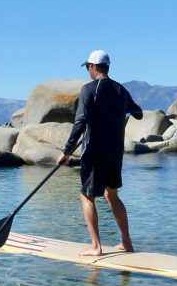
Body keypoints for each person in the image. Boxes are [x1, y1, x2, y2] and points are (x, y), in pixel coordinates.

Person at [57, 50, 143, 256]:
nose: (88, 70)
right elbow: (138, 113)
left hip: (94, 152)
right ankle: (126, 243)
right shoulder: (120, 89)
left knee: (87, 196)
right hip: (115, 152)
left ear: (94, 67)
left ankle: (96, 247)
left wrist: (66, 151)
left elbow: (80, 122)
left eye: (88, 66)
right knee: (111, 194)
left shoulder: (88, 89)